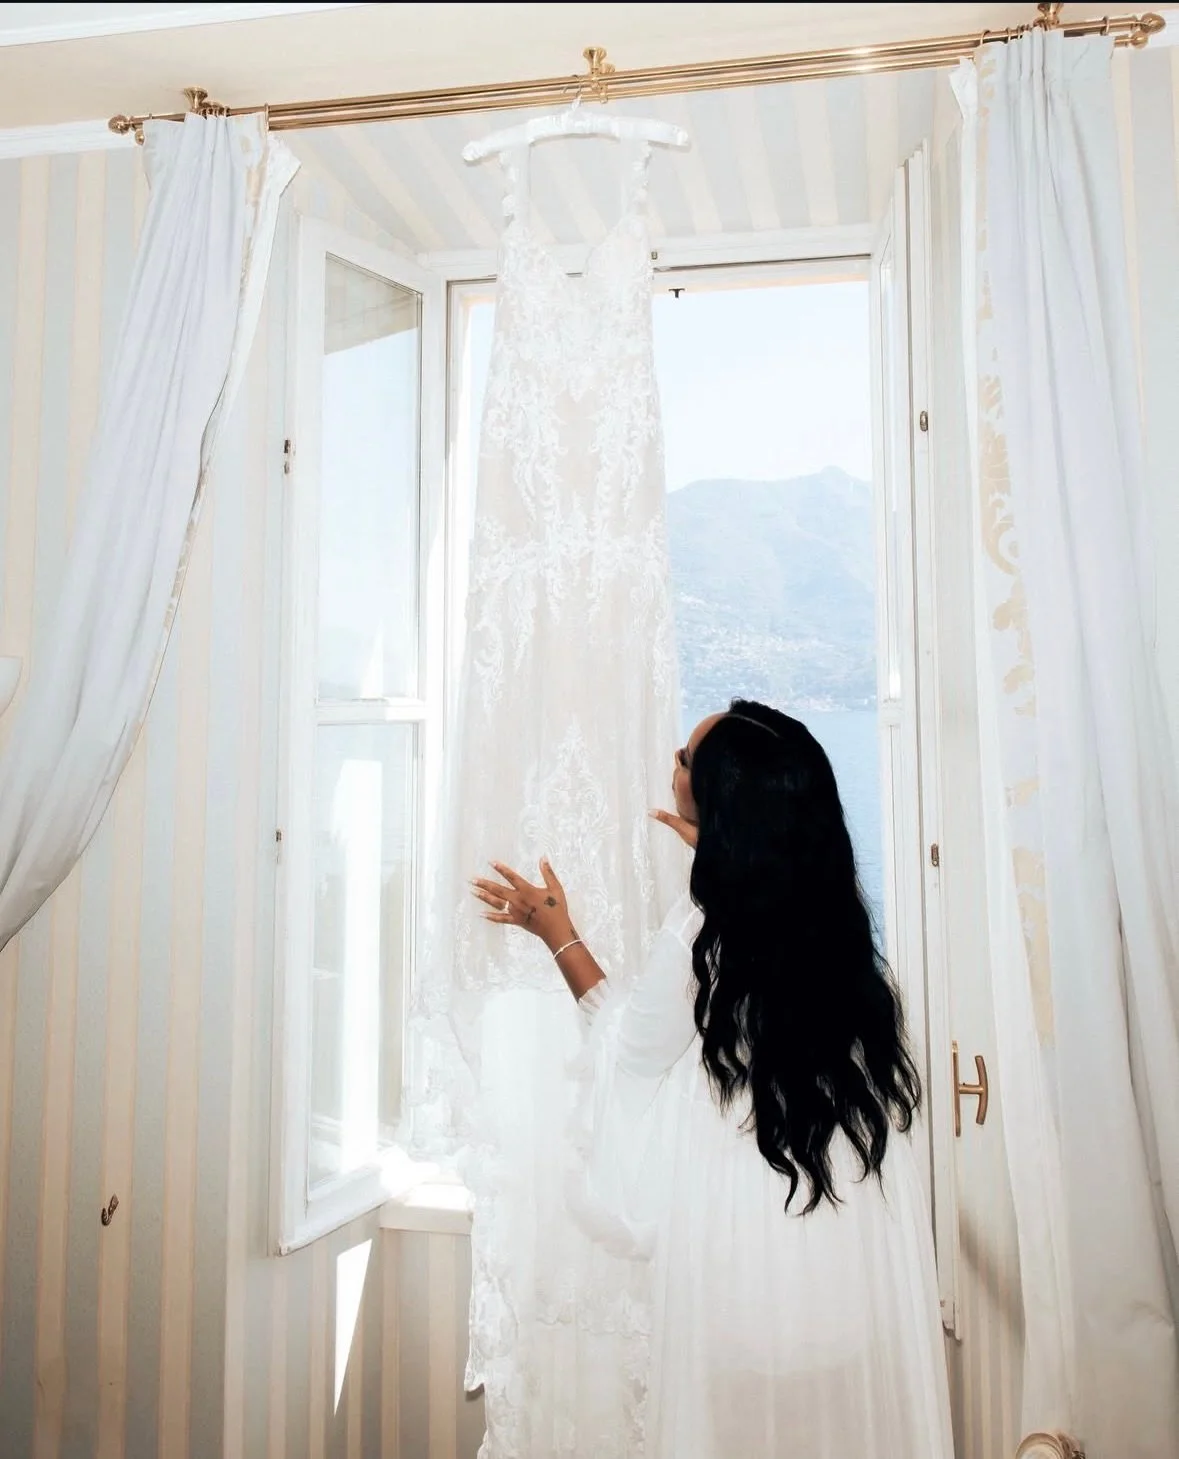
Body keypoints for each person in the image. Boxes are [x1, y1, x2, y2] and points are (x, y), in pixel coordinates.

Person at [471, 699, 954, 1459]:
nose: (673, 759)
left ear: (721, 801)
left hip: (741, 1274)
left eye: (687, 759)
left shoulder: (703, 930)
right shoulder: (838, 931)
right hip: (844, 1273)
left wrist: (556, 932)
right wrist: (726, 860)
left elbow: (625, 1055)